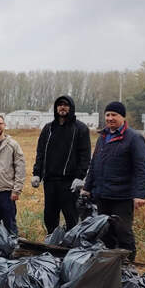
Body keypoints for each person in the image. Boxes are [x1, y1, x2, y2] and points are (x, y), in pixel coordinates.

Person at [82, 101, 145, 261]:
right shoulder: (103, 137)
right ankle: (110, 265)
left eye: (114, 115)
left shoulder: (134, 138)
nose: (110, 118)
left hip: (122, 196)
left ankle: (129, 267)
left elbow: (141, 168)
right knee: (105, 232)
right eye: (108, 115)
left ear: (122, 117)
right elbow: (94, 163)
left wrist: (139, 194)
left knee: (123, 232)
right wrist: (87, 187)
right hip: (102, 194)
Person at [32, 95, 91, 235]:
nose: (62, 107)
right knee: (50, 217)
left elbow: (85, 155)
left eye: (65, 105)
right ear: (56, 108)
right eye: (60, 105)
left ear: (71, 108)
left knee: (71, 217)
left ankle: (71, 246)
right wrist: (37, 173)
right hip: (50, 181)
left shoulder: (80, 129)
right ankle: (52, 244)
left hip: (70, 183)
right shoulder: (48, 129)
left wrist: (80, 177)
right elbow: (40, 153)